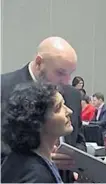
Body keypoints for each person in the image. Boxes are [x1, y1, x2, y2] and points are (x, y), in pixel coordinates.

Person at [1, 36, 86, 183]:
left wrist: (76, 161)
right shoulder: (4, 88)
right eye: (60, 73)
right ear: (39, 63)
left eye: (70, 74)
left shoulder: (72, 95)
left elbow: (78, 140)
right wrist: (41, 156)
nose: (66, 82)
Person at [1, 82, 73, 183]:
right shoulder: (37, 176)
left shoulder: (18, 159)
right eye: (58, 108)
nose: (69, 111)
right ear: (37, 122)